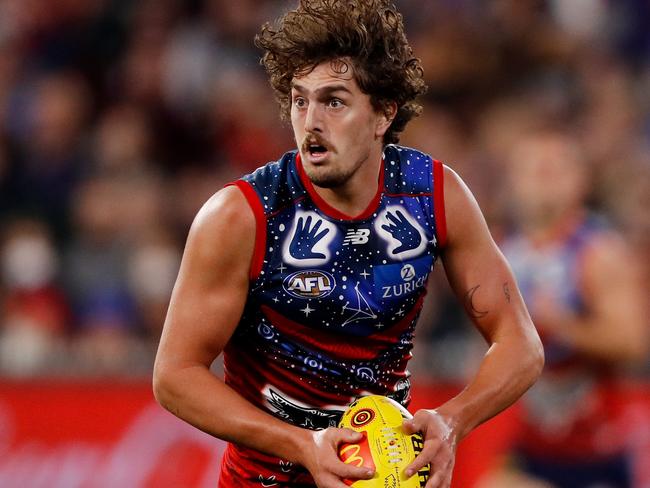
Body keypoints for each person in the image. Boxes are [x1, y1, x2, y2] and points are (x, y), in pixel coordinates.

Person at [153, 1, 544, 487]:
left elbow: (520, 343)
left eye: (334, 101)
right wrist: (301, 443)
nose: (311, 121)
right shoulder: (241, 215)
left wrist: (453, 419)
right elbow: (175, 376)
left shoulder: (434, 195)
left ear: (383, 113)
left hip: (387, 475)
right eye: (300, 100)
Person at [482, 130, 648, 488]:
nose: (541, 181)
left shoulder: (598, 252)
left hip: (598, 444)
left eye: (553, 171)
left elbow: (633, 342)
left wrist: (561, 324)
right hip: (535, 437)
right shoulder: (499, 248)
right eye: (532, 170)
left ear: (580, 181)